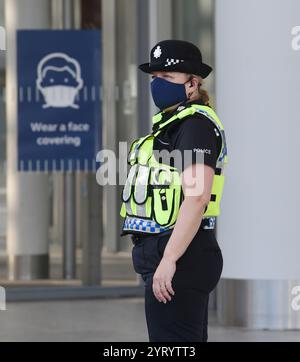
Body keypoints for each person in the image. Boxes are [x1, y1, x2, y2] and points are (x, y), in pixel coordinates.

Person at [120, 40, 228, 342]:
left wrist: (169, 260)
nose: (157, 84)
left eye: (167, 78)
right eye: (154, 77)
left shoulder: (195, 126)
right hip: (173, 251)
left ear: (193, 83)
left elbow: (197, 198)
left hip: (181, 254)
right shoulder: (172, 124)